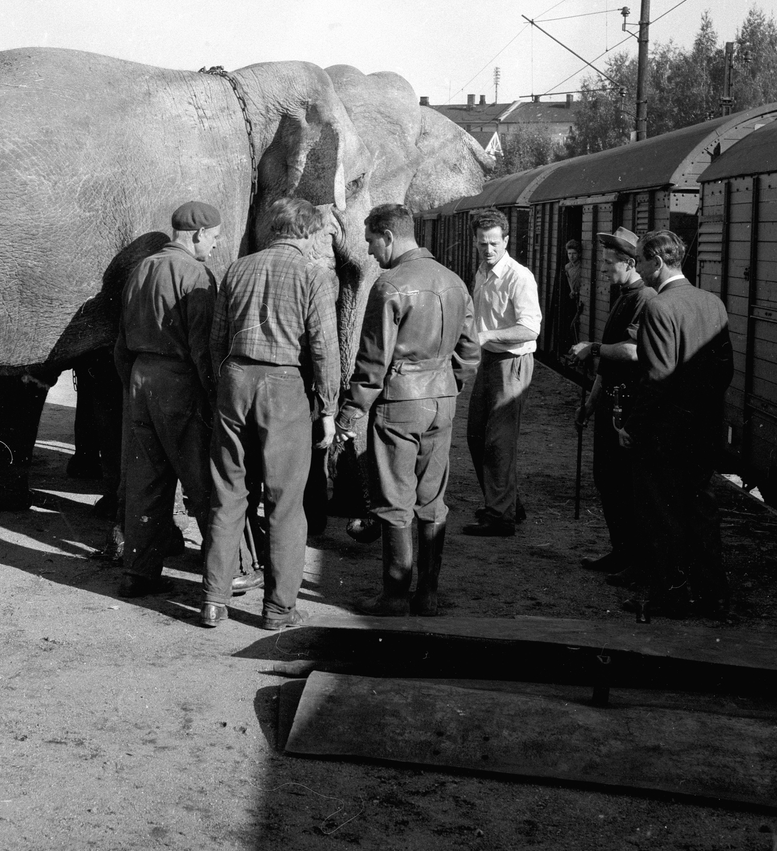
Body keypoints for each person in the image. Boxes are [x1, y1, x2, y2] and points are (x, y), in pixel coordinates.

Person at [334, 204, 481, 616]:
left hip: (400, 403)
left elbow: (372, 361)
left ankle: (395, 596)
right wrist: (447, 386)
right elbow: (470, 353)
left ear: (388, 236)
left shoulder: (390, 284)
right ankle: (428, 596)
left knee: (395, 499)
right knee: (432, 499)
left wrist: (350, 414)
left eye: (370, 242)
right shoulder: (454, 282)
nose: (369, 252)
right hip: (443, 401)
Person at [201, 197, 339, 631]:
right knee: (284, 503)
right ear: (306, 232)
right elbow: (323, 348)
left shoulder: (236, 269)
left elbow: (216, 340)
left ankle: (212, 600)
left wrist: (220, 390)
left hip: (235, 380)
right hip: (283, 387)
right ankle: (278, 610)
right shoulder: (313, 275)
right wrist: (330, 407)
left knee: (228, 494)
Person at [620, 228, 734, 619]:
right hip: (702, 430)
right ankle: (715, 595)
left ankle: (673, 595)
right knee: (701, 510)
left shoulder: (659, 307)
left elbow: (657, 378)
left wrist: (631, 427)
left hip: (665, 435)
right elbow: (725, 371)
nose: (637, 267)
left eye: (640, 260)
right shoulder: (713, 303)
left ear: (657, 261)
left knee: (663, 515)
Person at [114, 200, 223, 599]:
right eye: (212, 238)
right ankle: (234, 570)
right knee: (203, 481)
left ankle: (138, 572)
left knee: (145, 481)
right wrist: (212, 398)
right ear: (196, 234)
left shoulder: (141, 269)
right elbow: (202, 349)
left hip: (141, 380)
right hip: (180, 383)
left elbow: (120, 345)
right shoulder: (196, 274)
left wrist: (136, 384)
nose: (213, 246)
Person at [571, 227, 655, 579]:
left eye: (609, 263)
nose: (604, 269)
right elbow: (607, 366)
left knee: (623, 483)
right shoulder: (623, 295)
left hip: (627, 406)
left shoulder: (644, 298)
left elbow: (634, 353)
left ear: (630, 263)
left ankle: (635, 559)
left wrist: (592, 348)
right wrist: (589, 404)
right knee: (607, 479)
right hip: (609, 403)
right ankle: (620, 551)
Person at [464, 207, 541, 537]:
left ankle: (500, 518)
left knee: (499, 441)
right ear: (476, 243)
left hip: (512, 363)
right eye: (483, 244)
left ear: (506, 240)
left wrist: (487, 335)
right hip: (489, 363)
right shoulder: (481, 271)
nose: (488, 249)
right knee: (476, 436)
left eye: (494, 243)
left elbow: (530, 329)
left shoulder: (518, 276)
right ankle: (508, 503)